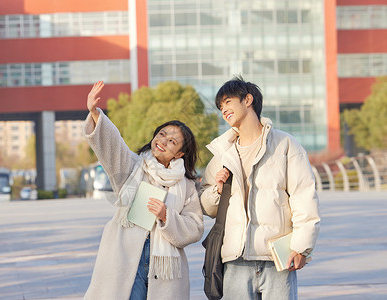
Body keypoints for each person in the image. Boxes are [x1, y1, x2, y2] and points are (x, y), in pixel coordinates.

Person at [200, 75, 320, 299]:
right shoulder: (222, 153)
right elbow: (207, 207)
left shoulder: (285, 144)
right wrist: (216, 189)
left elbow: (304, 197)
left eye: (227, 102)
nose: (223, 109)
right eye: (220, 106)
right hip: (235, 260)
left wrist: (302, 247)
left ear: (248, 99)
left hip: (277, 258)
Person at [82, 81, 204, 300]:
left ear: (179, 154)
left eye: (172, 141)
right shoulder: (132, 166)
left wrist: (167, 216)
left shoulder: (186, 186)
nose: (163, 141)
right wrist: (95, 113)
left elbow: (195, 227)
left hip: (165, 270)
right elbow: (112, 144)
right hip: (127, 260)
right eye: (161, 134)